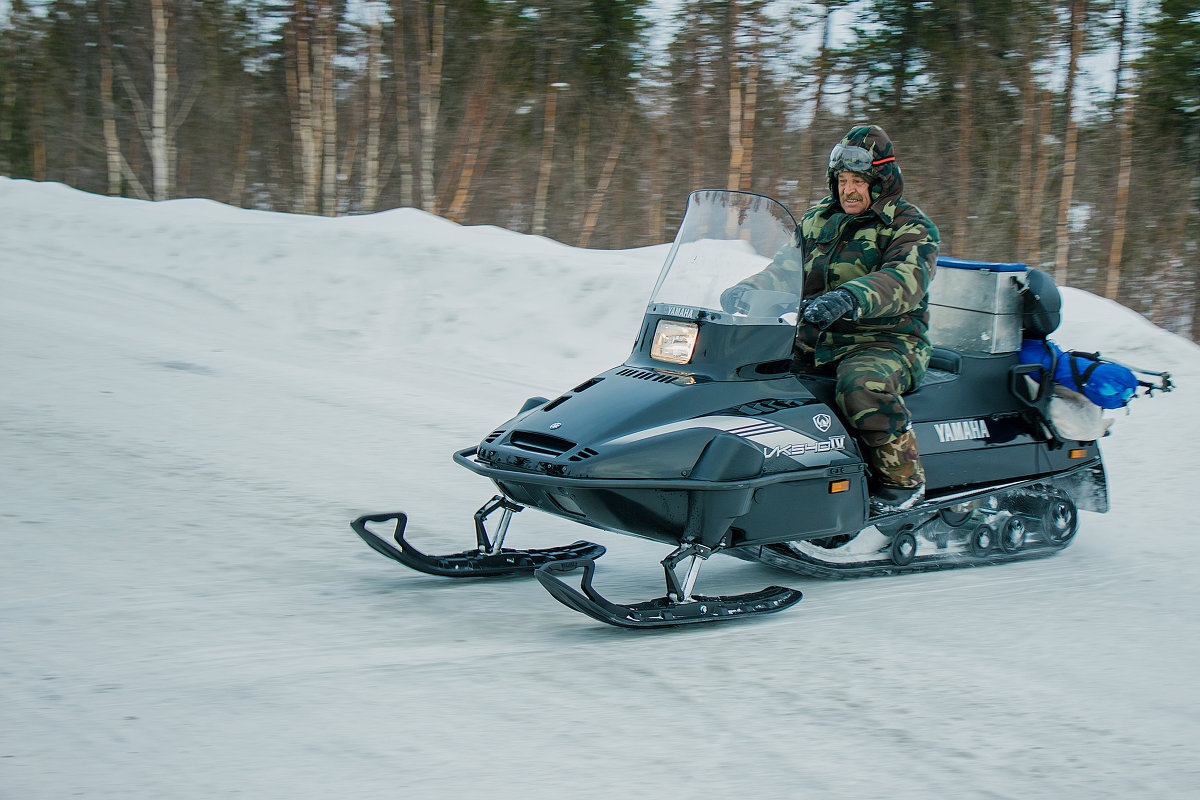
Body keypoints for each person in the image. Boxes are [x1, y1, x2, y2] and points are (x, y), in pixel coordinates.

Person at [722, 125, 939, 513]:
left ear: (881, 180)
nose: (848, 190)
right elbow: (786, 270)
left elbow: (906, 280)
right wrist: (747, 289)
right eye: (842, 180)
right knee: (747, 369)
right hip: (816, 337)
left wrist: (849, 297)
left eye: (859, 180)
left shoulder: (909, 225)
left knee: (861, 386)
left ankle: (902, 482)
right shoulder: (819, 220)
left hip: (888, 342)